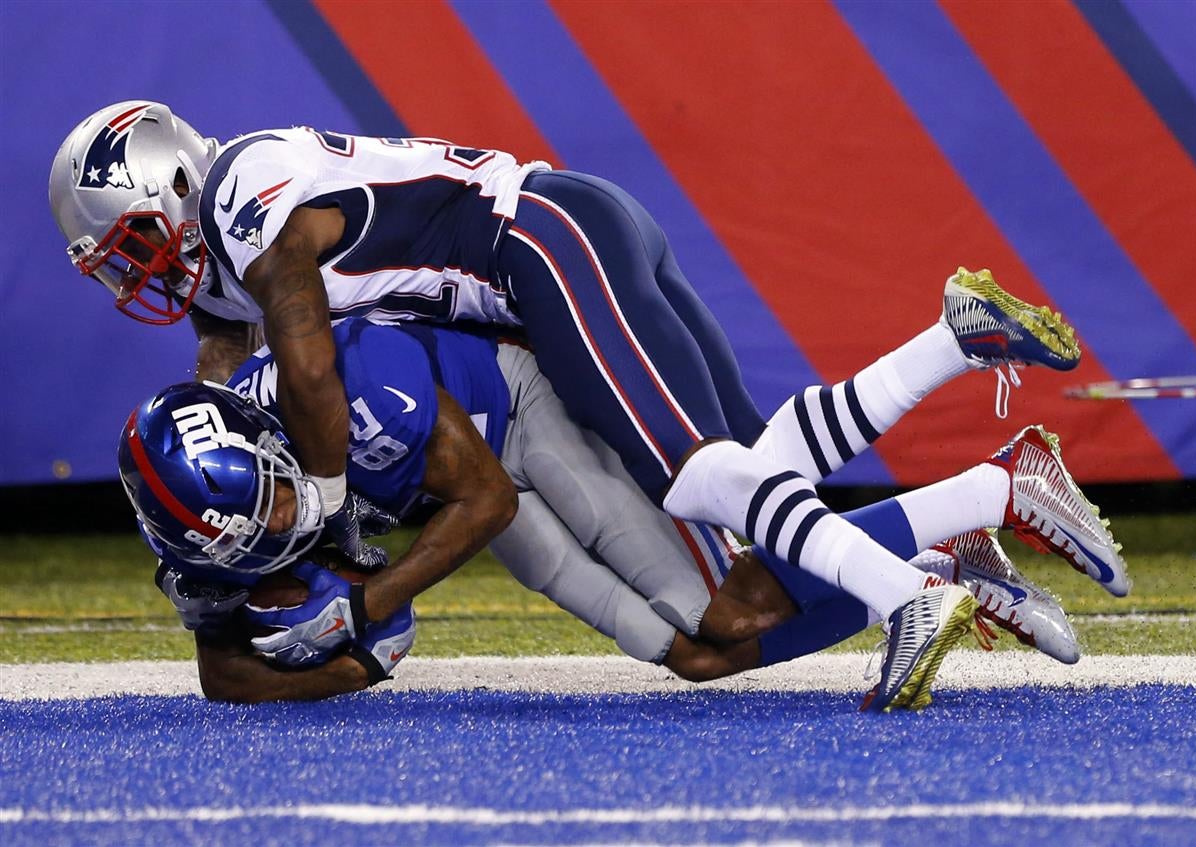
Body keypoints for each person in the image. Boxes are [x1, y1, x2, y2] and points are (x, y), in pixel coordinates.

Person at [57, 101, 1103, 711]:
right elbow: (219, 394)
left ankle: (923, 537)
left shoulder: (245, 195)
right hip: (550, 258)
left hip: (539, 249)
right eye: (115, 268)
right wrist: (202, 562)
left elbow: (308, 367)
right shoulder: (222, 283)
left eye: (133, 245)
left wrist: (331, 527)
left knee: (701, 478)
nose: (133, 279)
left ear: (173, 180)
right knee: (750, 499)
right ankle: (965, 484)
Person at [122, 318, 1104, 706]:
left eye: (283, 493)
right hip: (467, 498)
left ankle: (988, 494)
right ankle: (944, 560)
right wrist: (333, 667)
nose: (285, 523)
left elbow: (488, 494)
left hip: (520, 418)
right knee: (690, 649)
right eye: (254, 528)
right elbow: (223, 673)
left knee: (728, 605)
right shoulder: (207, 534)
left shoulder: (351, 385)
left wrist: (366, 609)